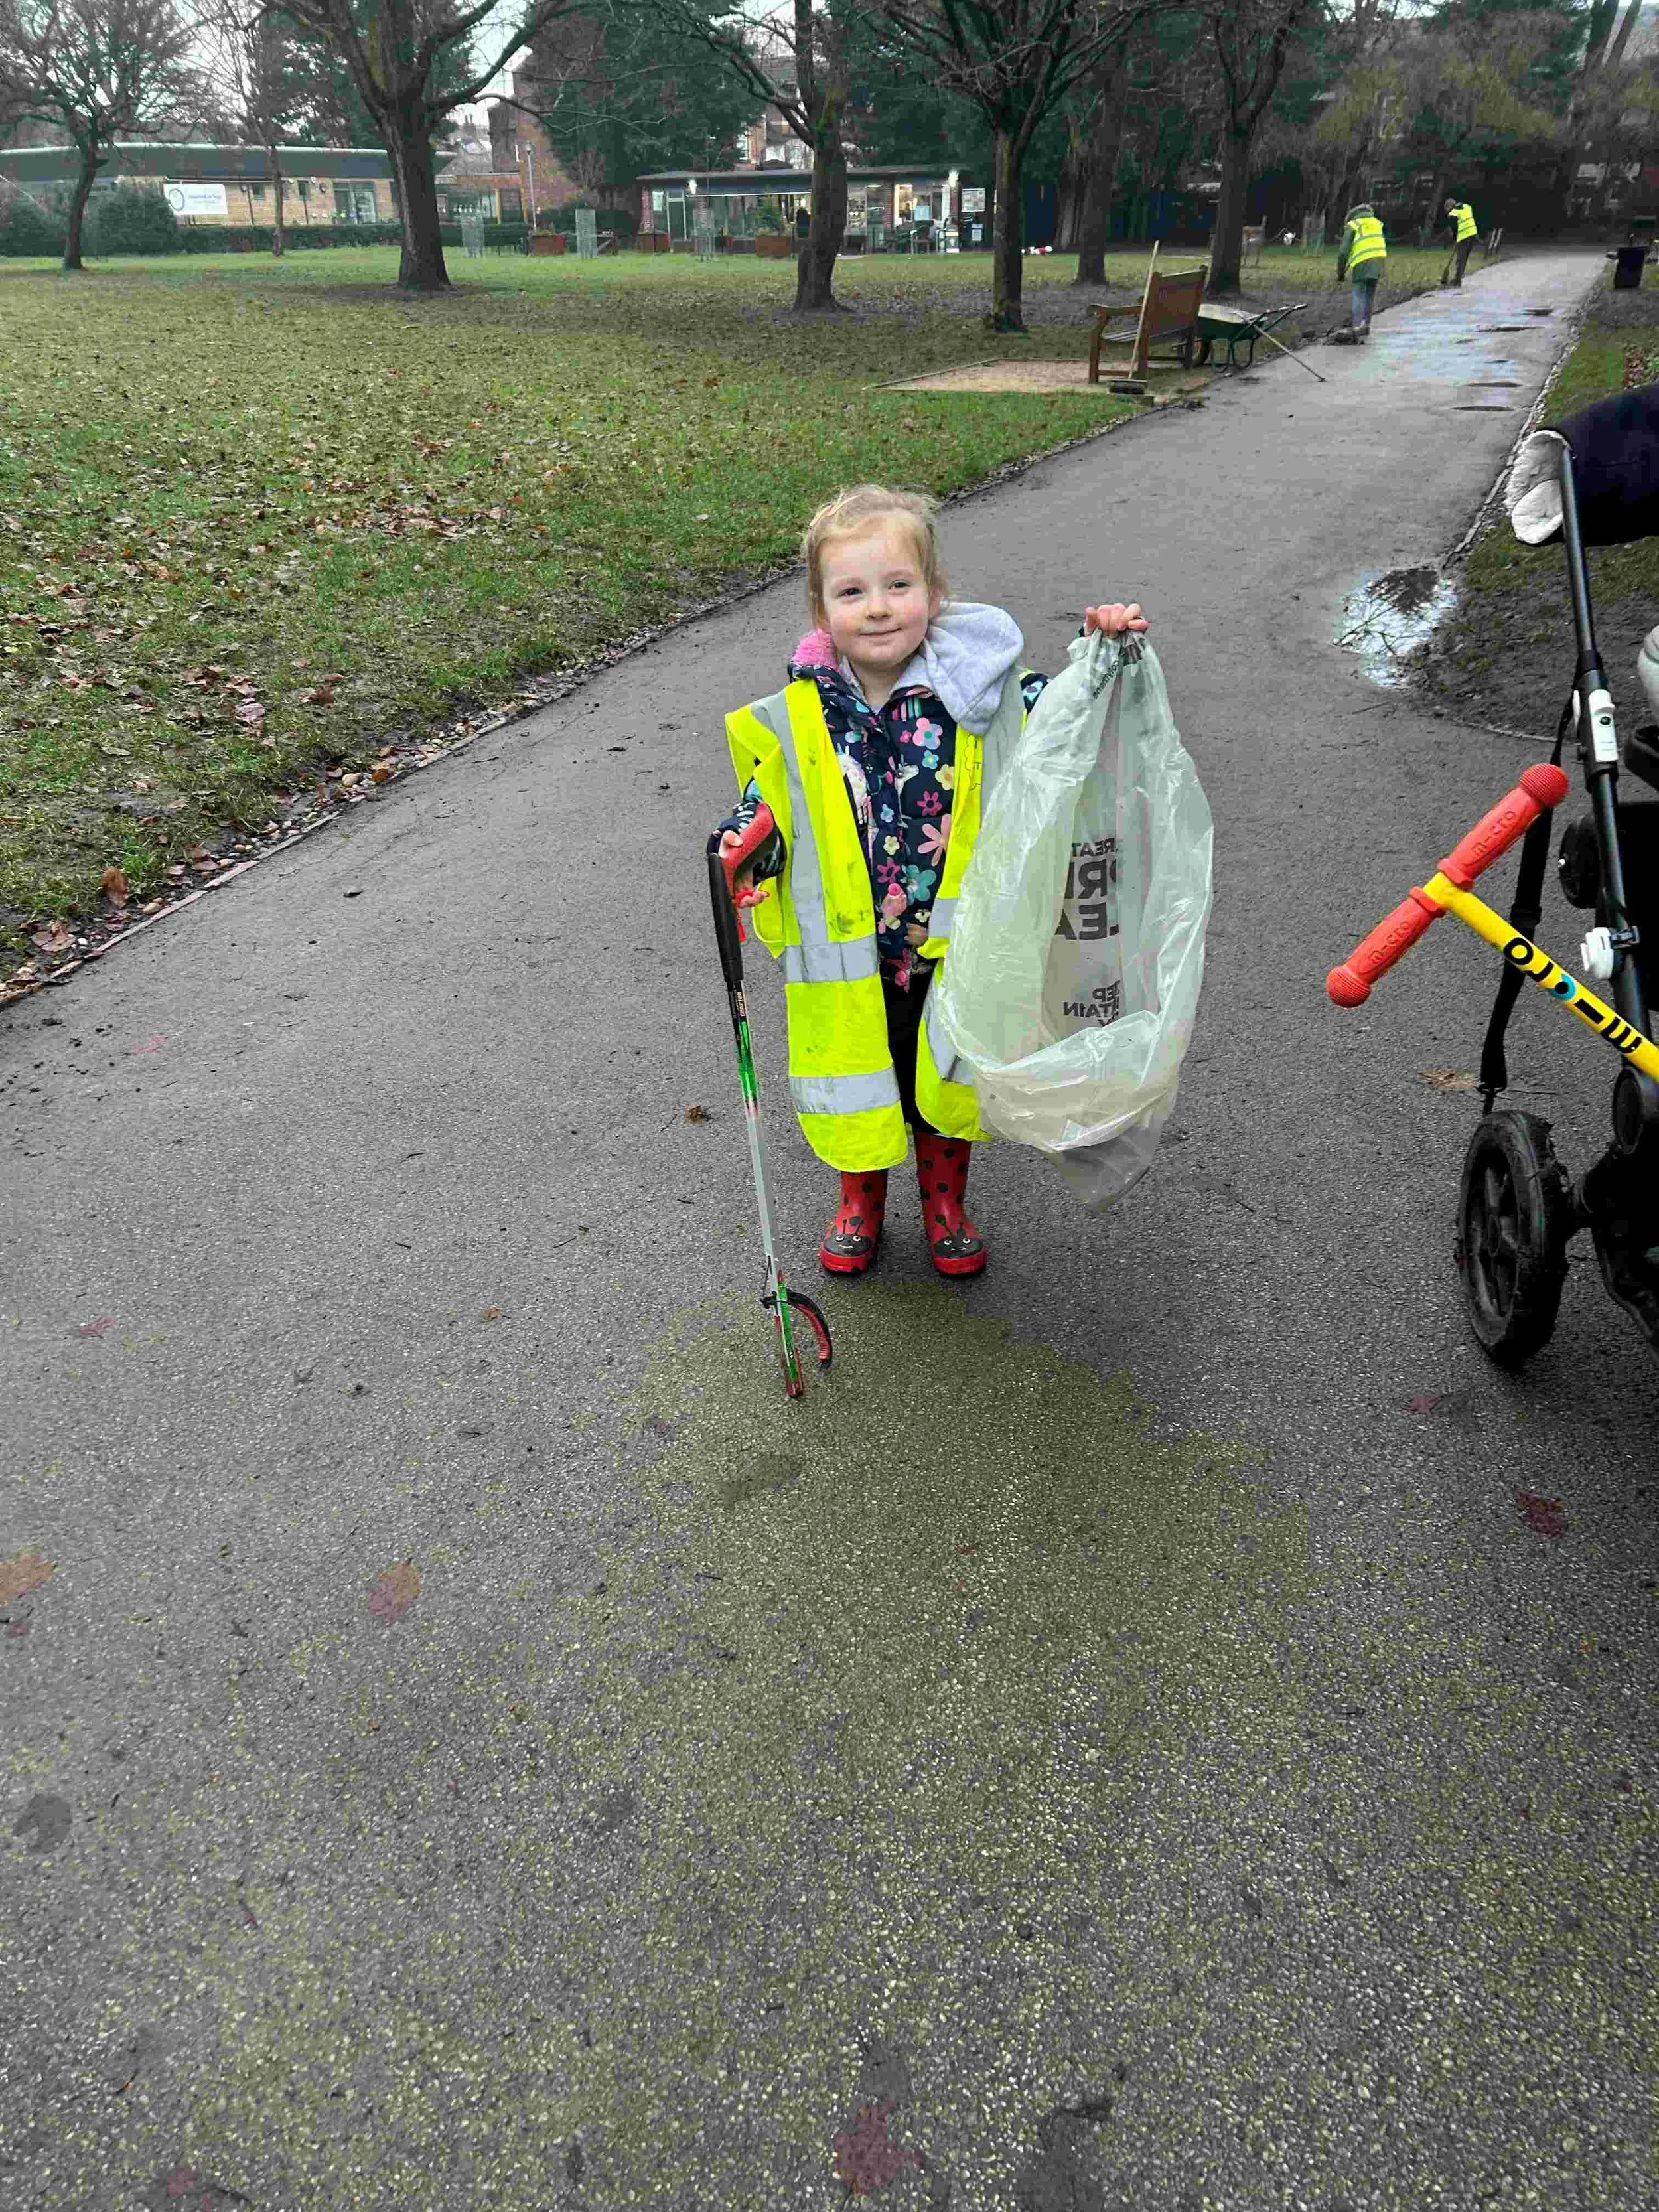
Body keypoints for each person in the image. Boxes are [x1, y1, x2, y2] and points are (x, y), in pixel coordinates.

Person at [715, 484, 1147, 1280]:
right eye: (852, 592)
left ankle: (944, 1203)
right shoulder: (798, 714)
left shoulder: (978, 694)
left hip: (950, 942)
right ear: (822, 611)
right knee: (858, 1079)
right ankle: (859, 1203)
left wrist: (1098, 655)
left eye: (898, 586)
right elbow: (770, 801)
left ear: (934, 593)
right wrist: (749, 840)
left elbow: (1056, 729)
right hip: (848, 950)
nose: (877, 608)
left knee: (943, 1079)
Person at [1335, 202, 1387, 339]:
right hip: (1379, 261)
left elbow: (1344, 252)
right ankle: (1366, 326)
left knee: (1359, 294)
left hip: (1363, 262)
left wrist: (1340, 273)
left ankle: (1356, 326)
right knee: (1369, 295)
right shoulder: (1376, 222)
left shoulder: (1353, 225)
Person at [1441, 194, 1478, 288]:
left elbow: (1451, 223)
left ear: (1450, 207)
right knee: (1464, 258)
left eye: (1448, 209)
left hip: (1464, 236)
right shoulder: (1467, 207)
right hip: (1473, 234)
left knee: (1460, 259)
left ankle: (1457, 280)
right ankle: (1458, 278)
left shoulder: (1454, 212)